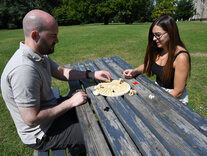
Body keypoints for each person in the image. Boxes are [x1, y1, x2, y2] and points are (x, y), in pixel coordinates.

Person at [1, 9, 111, 155]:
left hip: (50, 115)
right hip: (41, 134)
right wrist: (71, 102)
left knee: (91, 99)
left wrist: (90, 74)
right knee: (101, 133)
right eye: (53, 36)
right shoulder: (24, 69)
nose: (57, 40)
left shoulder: (38, 55)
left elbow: (61, 71)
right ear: (35, 35)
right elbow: (31, 119)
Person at [123, 15, 191, 104]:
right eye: (153, 35)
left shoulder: (181, 57)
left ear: (170, 33)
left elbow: (178, 92)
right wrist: (134, 71)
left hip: (174, 99)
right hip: (158, 91)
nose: (154, 39)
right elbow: (149, 65)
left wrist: (157, 101)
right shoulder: (160, 49)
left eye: (158, 35)